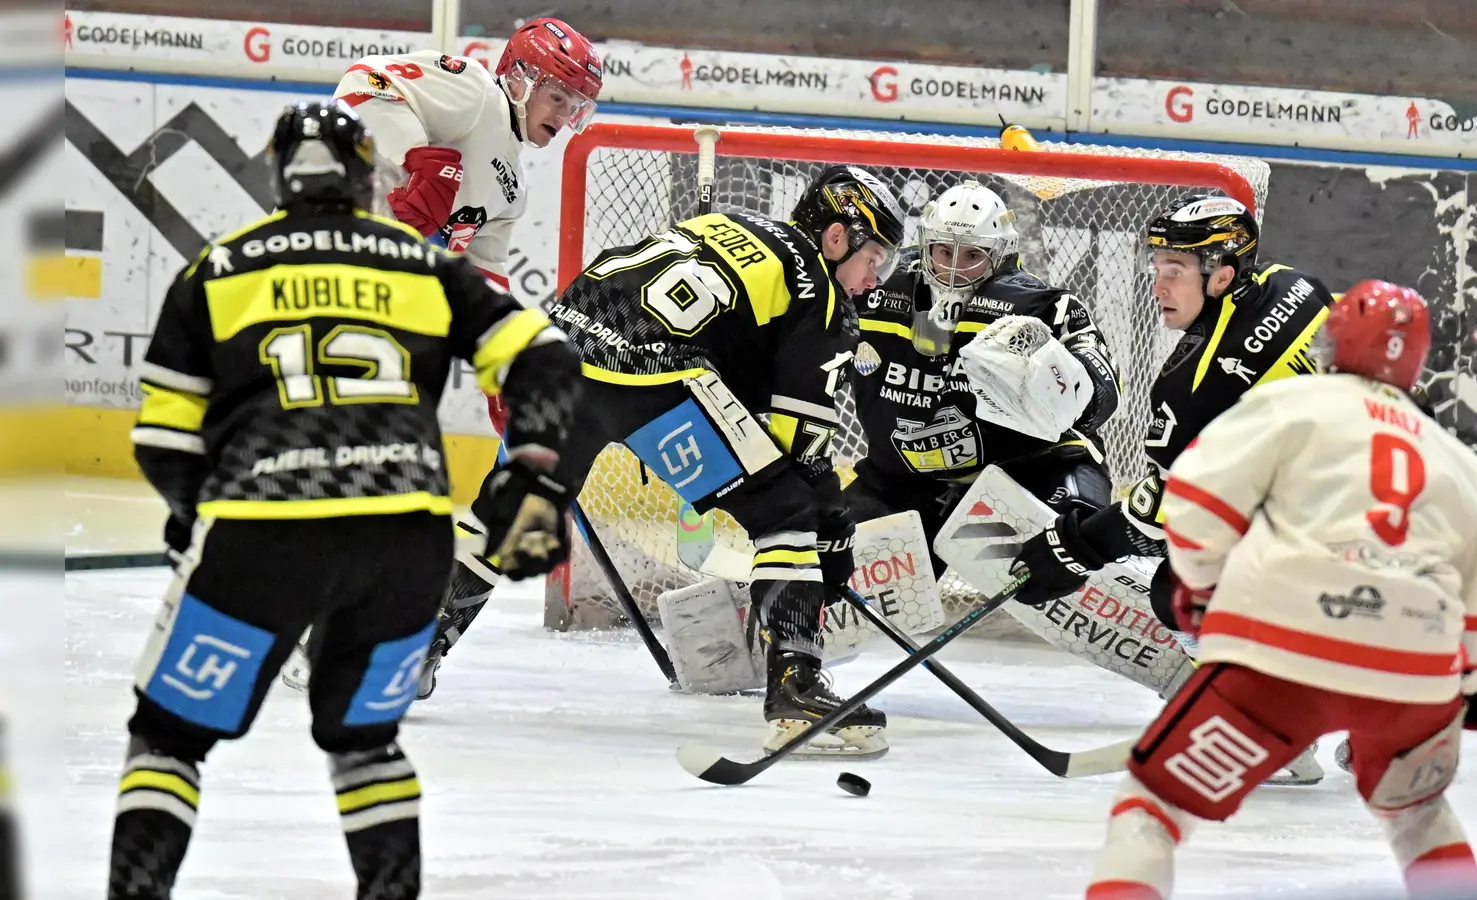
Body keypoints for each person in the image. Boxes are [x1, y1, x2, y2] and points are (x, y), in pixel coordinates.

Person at [106, 100, 581, 899]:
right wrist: (530, 470)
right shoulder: (423, 265)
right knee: (365, 745)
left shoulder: (219, 270)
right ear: (368, 174)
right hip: (403, 546)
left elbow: (163, 440)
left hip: (260, 539)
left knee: (167, 741)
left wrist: (193, 517)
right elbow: (545, 357)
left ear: (278, 176)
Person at [1082, 280, 1477, 900]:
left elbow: (1195, 502)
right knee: (1421, 817)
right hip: (1411, 675)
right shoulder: (1458, 460)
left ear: (1331, 342)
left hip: (1279, 658)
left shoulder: (1291, 403)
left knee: (1151, 808)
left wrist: (1202, 590)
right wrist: (1467, 683)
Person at [287, 18, 602, 698]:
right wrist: (405, 166)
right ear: (521, 78)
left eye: (578, 107)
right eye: (560, 98)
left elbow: (480, 277)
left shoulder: (510, 190)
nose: (568, 116)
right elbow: (361, 85)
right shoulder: (476, 95)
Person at [545, 165, 905, 757]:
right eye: (875, 258)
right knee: (786, 513)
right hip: (651, 375)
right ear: (836, 238)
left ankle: (407, 653)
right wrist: (832, 533)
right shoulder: (820, 291)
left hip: (559, 346)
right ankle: (797, 693)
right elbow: (802, 448)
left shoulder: (731, 223)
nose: (874, 279)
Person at [1010, 193, 1336, 783]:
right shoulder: (1294, 285)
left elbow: (1165, 512)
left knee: (1182, 587)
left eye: (1176, 271)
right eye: (1157, 268)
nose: (1158, 286)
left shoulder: (1193, 389)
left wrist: (1074, 547)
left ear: (1223, 276)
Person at [844, 178, 1121, 590]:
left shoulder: (1041, 306)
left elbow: (1105, 394)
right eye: (944, 250)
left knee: (1073, 547)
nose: (954, 266)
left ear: (1000, 255)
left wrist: (1048, 373)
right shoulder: (872, 293)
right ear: (926, 245)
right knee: (826, 562)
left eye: (972, 254)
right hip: (904, 484)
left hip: (1025, 476)